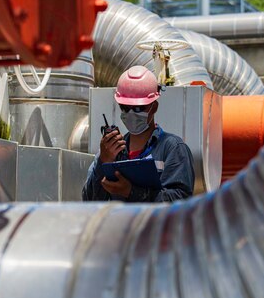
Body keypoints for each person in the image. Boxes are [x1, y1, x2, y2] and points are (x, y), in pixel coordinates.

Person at [82, 65, 195, 202]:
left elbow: (180, 203)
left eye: (138, 108)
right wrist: (102, 163)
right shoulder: (110, 153)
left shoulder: (173, 149)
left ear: (154, 107)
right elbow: (89, 203)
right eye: (125, 108)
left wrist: (131, 191)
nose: (131, 114)